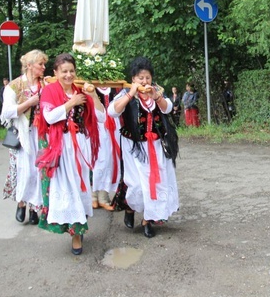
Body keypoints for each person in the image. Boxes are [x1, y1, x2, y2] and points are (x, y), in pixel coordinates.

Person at [35, 53, 104, 255]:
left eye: (71, 71)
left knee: (79, 188)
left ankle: (77, 230)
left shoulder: (81, 91)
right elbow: (48, 117)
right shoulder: (49, 91)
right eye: (64, 71)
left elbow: (101, 117)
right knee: (67, 190)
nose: (68, 75)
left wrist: (92, 96)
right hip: (60, 146)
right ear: (55, 73)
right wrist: (70, 103)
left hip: (79, 146)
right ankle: (74, 231)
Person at [108, 57, 179, 238]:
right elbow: (113, 111)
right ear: (133, 79)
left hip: (155, 146)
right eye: (140, 78)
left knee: (155, 183)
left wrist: (157, 97)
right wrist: (130, 94)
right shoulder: (125, 93)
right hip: (134, 147)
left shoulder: (157, 92)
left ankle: (148, 220)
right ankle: (131, 209)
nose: (145, 81)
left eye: (147, 77)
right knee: (137, 185)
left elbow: (167, 108)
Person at [0, 50, 47, 225]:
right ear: (29, 65)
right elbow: (7, 112)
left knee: (38, 171)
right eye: (40, 64)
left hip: (41, 133)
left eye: (44, 64)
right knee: (24, 170)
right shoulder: (14, 85)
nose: (44, 67)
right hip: (23, 133)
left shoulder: (46, 84)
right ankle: (21, 203)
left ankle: (35, 207)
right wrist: (29, 103)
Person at [91, 86, 121, 211]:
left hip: (113, 127)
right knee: (96, 159)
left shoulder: (116, 88)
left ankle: (103, 196)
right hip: (95, 125)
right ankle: (92, 196)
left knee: (109, 159)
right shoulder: (90, 87)